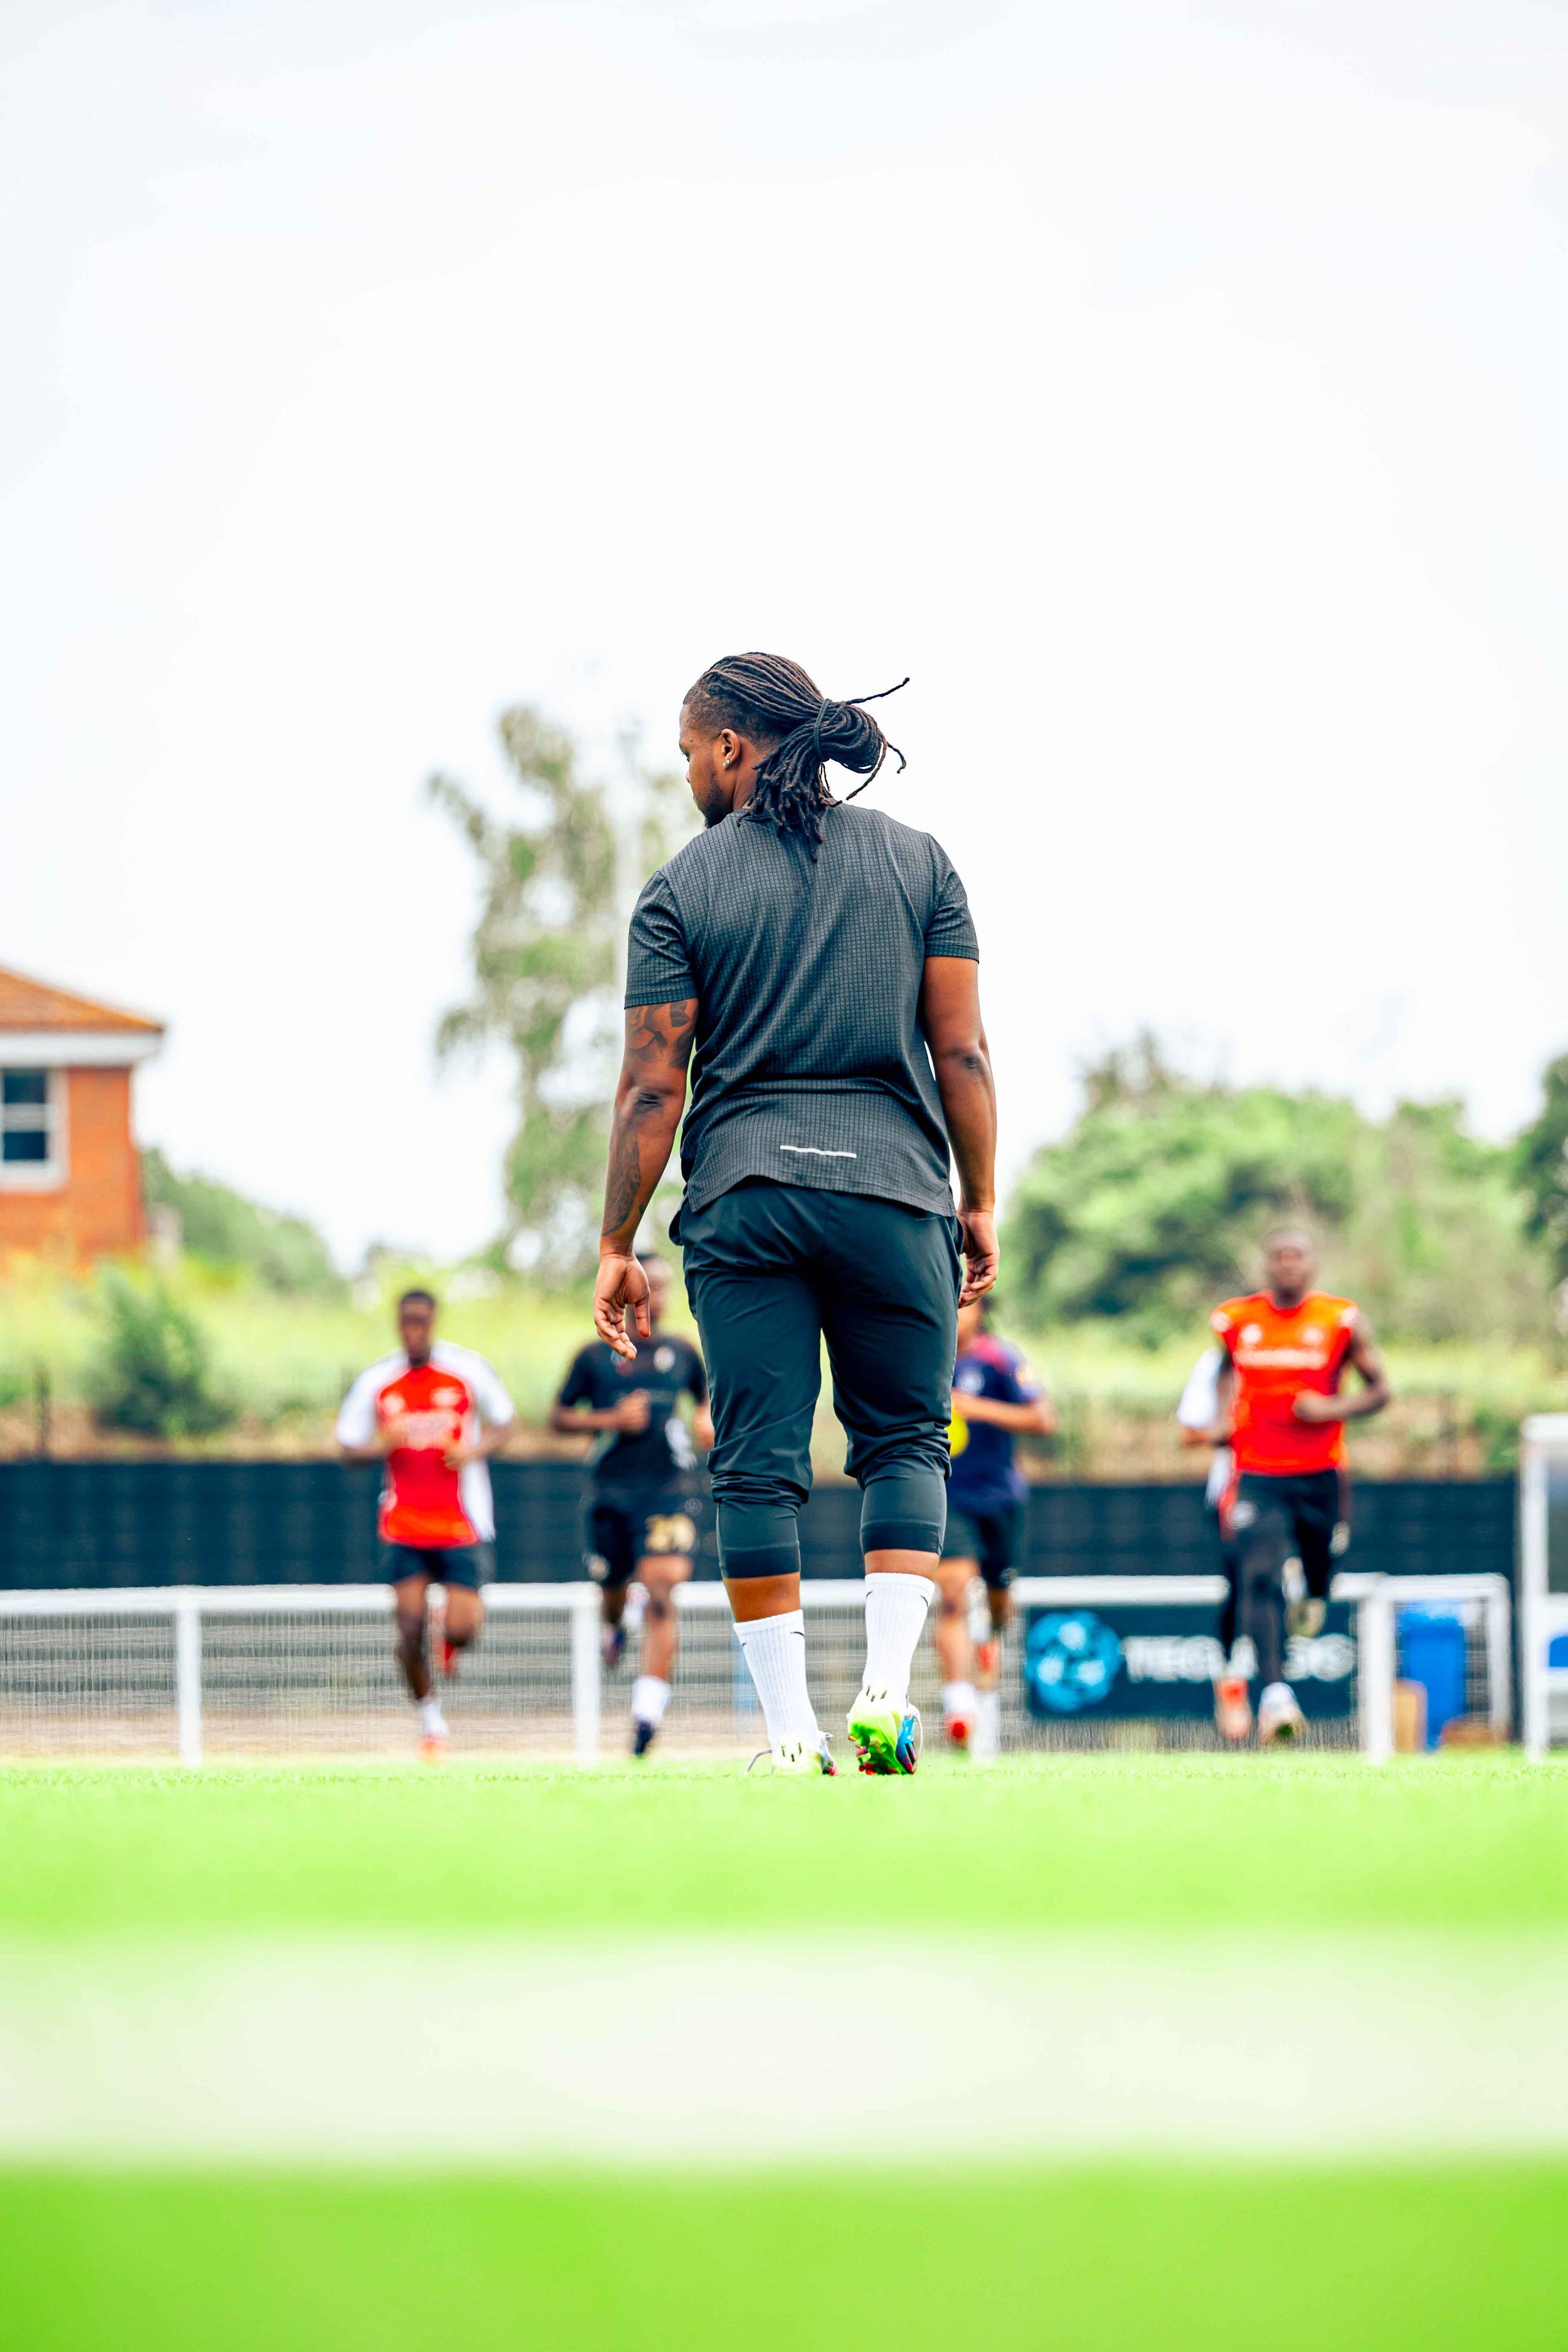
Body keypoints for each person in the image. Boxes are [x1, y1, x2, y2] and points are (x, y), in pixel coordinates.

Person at [590, 651, 998, 1777]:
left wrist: (618, 1243)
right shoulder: (920, 864)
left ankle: (791, 1736)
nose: (685, 775)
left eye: (686, 752)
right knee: (908, 1441)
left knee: (757, 1466)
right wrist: (979, 1199)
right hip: (897, 1196)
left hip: (745, 1198)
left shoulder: (682, 888)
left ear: (730, 746)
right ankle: (884, 1693)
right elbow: (959, 1049)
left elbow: (652, 1083)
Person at [1207, 1229, 1391, 1744]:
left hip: (1320, 1473)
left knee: (1316, 1574)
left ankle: (1313, 1592)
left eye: (1297, 1256)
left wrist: (1330, 1408)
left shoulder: (1340, 1320)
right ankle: (1276, 1695)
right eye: (1279, 1257)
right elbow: (1224, 1373)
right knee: (1258, 1576)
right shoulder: (1238, 1320)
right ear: (1266, 1265)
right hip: (1258, 1472)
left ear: (1312, 1265)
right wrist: (1224, 1416)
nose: (1288, 1265)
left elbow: (1382, 1390)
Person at [336, 1289, 515, 1761]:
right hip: (404, 1523)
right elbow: (346, 1446)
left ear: (432, 1321)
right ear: (399, 1325)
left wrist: (473, 1451)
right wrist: (382, 1446)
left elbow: (507, 1423)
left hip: (462, 1522)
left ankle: (449, 1640)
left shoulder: (466, 1371)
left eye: (421, 1321)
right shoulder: (380, 1380)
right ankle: (431, 1722)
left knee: (463, 1630)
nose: (414, 1330)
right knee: (408, 1627)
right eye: (406, 1322)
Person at [549, 1251, 713, 1754]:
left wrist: (707, 1422)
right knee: (615, 1587)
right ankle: (614, 1624)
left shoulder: (683, 1353)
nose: (657, 1296)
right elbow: (558, 1417)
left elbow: (706, 1403)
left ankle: (646, 1717)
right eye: (649, 1286)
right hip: (610, 1492)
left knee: (663, 1592)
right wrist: (610, 1421)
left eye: (664, 1287)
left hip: (668, 1489)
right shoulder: (594, 1356)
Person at [937, 1295, 1054, 1748]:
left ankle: (988, 1660)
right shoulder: (928, 1357)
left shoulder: (1001, 1359)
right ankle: (959, 1703)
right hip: (948, 1497)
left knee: (998, 1602)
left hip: (1000, 1500)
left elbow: (1043, 1418)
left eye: (962, 1305)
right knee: (953, 1596)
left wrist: (975, 1407)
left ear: (981, 1311)